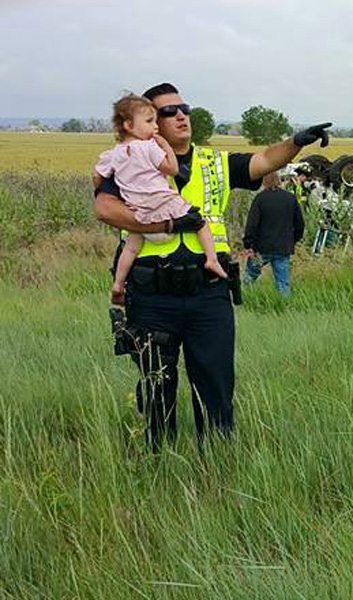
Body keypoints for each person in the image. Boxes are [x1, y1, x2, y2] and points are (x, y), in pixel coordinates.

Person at [94, 82, 330, 450]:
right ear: (149, 122)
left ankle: (216, 465)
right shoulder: (130, 158)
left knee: (216, 385)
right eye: (168, 111)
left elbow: (266, 160)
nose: (181, 115)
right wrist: (167, 225)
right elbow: (105, 208)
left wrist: (297, 141)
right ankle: (157, 461)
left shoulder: (214, 162)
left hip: (209, 292)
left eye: (184, 108)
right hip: (153, 294)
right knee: (156, 386)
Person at [94, 94, 227, 305]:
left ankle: (118, 284)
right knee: (200, 223)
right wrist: (164, 146)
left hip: (141, 216)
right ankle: (212, 260)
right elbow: (172, 169)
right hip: (165, 206)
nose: (155, 127)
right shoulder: (149, 148)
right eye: (149, 122)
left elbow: (97, 176)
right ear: (129, 125)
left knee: (130, 247)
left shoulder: (113, 154)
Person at [242, 172, 305, 295]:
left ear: (264, 182)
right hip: (283, 247)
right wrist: (294, 240)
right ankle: (282, 308)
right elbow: (300, 224)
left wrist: (248, 244)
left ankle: (244, 302)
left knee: (249, 278)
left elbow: (252, 224)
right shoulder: (290, 198)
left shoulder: (260, 198)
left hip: (261, 247)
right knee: (283, 283)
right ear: (279, 181)